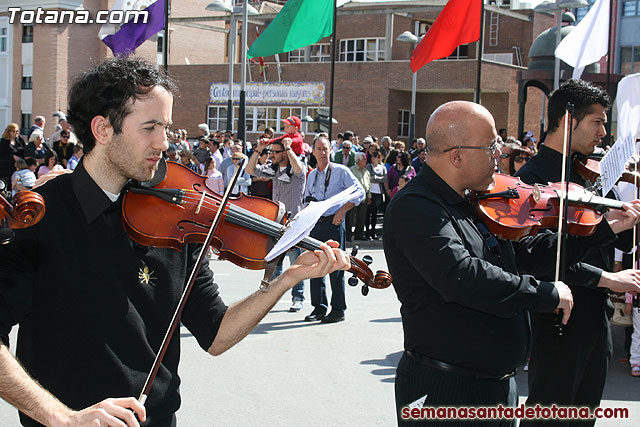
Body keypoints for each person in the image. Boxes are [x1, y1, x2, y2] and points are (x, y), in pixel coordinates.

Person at [0, 56, 350, 427]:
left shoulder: (179, 217)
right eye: (150, 127)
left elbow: (215, 333)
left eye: (166, 127)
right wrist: (61, 416)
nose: (164, 143)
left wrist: (284, 280)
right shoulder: (38, 215)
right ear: (102, 129)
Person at [384, 100, 640, 426]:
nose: (499, 157)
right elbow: (462, 275)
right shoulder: (417, 207)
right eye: (491, 147)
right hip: (446, 391)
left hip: (495, 389)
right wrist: (544, 293)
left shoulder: (471, 199)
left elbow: (525, 254)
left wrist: (603, 229)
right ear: (457, 155)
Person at [515, 80, 640, 426]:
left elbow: (589, 239)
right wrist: (609, 277)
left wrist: (620, 218)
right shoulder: (533, 177)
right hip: (560, 322)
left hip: (593, 319)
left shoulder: (584, 172)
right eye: (597, 122)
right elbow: (539, 256)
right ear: (569, 120)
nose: (603, 132)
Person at [302, 136, 365, 324]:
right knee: (315, 266)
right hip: (315, 223)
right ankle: (319, 307)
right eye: (319, 149)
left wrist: (342, 210)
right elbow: (306, 200)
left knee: (336, 266)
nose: (322, 152)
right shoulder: (311, 175)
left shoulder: (341, 171)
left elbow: (360, 192)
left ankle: (338, 309)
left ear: (331, 150)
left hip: (334, 223)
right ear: (313, 151)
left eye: (325, 149)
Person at [246, 136, 308, 312]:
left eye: (275, 152)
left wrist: (289, 149)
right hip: (276, 224)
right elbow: (250, 170)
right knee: (274, 264)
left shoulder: (296, 169)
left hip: (294, 224)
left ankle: (298, 297)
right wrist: (258, 149)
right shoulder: (273, 170)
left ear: (285, 153)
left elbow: (298, 168)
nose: (271, 154)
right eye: (270, 151)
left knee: (296, 264)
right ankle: (272, 298)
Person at [348, 152, 371, 241]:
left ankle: (359, 234)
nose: (366, 161)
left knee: (361, 217)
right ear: (358, 160)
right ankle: (349, 235)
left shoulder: (366, 171)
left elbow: (368, 184)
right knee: (351, 216)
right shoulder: (352, 170)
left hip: (364, 197)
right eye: (364, 159)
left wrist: (369, 196)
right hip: (354, 197)